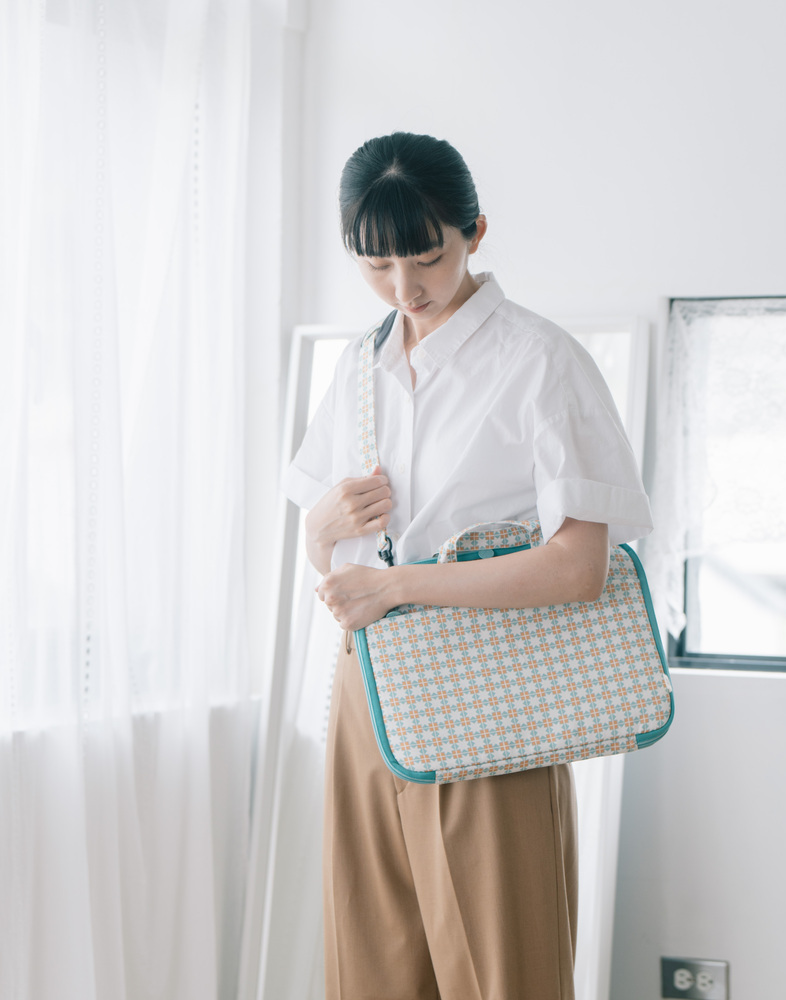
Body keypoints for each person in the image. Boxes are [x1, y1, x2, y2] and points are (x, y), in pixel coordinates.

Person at [284, 132, 652, 1000]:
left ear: (475, 232)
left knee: (502, 975)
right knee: (369, 968)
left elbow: (578, 569)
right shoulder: (361, 362)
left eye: (425, 257)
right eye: (375, 265)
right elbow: (334, 549)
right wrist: (319, 530)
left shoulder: (539, 361)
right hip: (368, 690)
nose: (403, 288)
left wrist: (403, 585)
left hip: (487, 697)